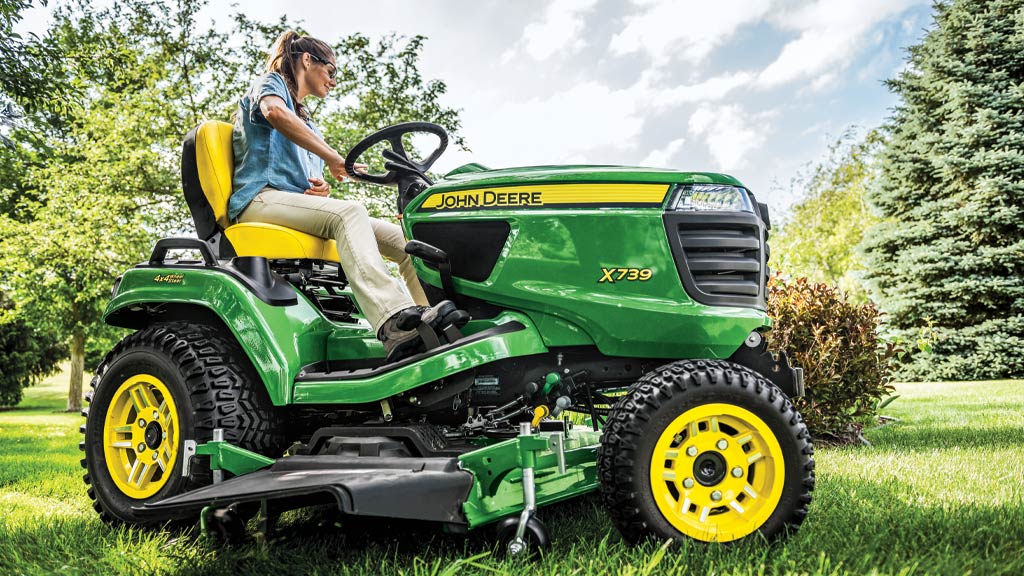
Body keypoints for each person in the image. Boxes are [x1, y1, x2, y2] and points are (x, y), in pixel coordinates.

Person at [228, 31, 439, 361]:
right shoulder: (271, 85)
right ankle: (392, 321)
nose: (334, 81)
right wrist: (332, 157)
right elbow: (274, 114)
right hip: (259, 201)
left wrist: (322, 186)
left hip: (288, 206)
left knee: (403, 240)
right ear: (308, 61)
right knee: (350, 212)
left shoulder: (306, 118)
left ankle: (433, 323)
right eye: (332, 71)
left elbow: (309, 180)